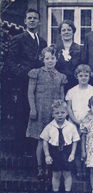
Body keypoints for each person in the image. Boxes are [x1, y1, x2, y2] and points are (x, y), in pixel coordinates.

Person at [2, 8, 47, 156]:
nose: (32, 20)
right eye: (30, 18)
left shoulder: (43, 42)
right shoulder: (18, 39)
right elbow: (10, 63)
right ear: (25, 21)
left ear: (39, 22)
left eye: (35, 18)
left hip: (39, 86)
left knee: (36, 115)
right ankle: (20, 150)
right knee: (22, 114)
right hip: (23, 84)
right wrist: (25, 73)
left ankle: (33, 148)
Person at [26, 45, 67, 180]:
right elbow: (30, 93)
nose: (50, 61)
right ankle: (40, 167)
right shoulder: (36, 73)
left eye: (53, 58)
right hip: (40, 111)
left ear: (56, 59)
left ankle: (51, 168)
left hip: (54, 113)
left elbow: (61, 97)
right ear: (42, 59)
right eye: (47, 58)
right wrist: (33, 108)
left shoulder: (61, 76)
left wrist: (61, 113)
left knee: (53, 140)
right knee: (40, 140)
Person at [40, 100, 80, 193]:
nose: (60, 115)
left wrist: (72, 154)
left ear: (67, 113)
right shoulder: (49, 127)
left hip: (67, 151)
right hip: (54, 152)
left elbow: (75, 141)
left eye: (62, 112)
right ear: (53, 114)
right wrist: (47, 155)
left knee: (67, 173)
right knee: (56, 174)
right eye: (57, 113)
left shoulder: (71, 127)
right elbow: (44, 141)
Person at [65, 64, 93, 179]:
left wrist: (86, 121)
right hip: (74, 122)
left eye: (86, 75)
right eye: (81, 75)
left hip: (90, 122)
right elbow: (69, 108)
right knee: (76, 145)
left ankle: (87, 168)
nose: (83, 78)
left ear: (90, 76)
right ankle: (78, 169)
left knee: (87, 145)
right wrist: (76, 121)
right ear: (76, 76)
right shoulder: (71, 91)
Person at [55, 19, 81, 93]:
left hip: (75, 86)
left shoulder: (80, 49)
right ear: (60, 33)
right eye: (63, 30)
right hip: (58, 86)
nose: (66, 32)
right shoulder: (55, 49)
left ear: (73, 32)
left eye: (69, 30)